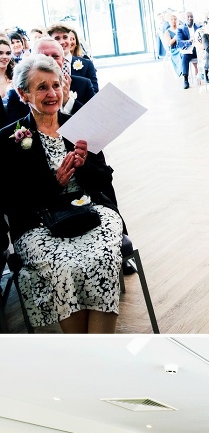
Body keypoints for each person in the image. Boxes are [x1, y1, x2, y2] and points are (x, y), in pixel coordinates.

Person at [0, 54, 124, 333]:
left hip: (93, 212)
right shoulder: (10, 138)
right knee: (64, 267)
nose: (52, 93)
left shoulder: (80, 126)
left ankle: (97, 352)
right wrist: (54, 184)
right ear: (23, 94)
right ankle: (82, 352)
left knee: (102, 259)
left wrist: (84, 166)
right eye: (41, 87)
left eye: (55, 85)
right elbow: (11, 201)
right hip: (38, 224)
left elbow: (105, 180)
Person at [4, 36, 95, 124]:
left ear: (63, 61)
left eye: (55, 56)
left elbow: (93, 121)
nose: (50, 61)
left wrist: (67, 101)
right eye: (44, 56)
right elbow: (14, 131)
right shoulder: (18, 93)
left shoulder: (83, 84)